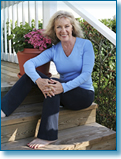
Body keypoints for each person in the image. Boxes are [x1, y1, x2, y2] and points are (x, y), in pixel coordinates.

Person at [1, 10, 95, 149]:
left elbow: (86, 74)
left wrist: (63, 87)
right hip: (62, 92)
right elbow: (28, 64)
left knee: (53, 85)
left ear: (73, 28)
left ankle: (47, 136)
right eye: (59, 27)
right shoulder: (54, 50)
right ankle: (3, 109)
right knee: (35, 78)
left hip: (83, 94)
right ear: (54, 30)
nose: (63, 30)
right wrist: (39, 81)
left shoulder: (85, 45)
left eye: (66, 26)